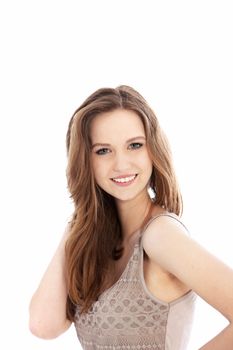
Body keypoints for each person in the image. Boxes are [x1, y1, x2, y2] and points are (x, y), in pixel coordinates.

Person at [29, 85, 233, 349]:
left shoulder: (161, 236)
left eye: (134, 145)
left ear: (153, 150)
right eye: (103, 150)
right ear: (85, 160)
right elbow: (44, 325)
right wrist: (80, 219)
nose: (121, 164)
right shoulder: (97, 238)